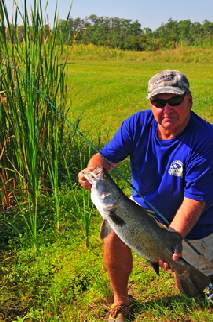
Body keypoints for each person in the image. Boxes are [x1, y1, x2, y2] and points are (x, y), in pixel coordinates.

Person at [78, 69, 213, 322]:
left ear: (190, 100)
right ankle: (121, 302)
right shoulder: (137, 124)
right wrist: (90, 171)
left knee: (196, 290)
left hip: (196, 222)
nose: (167, 109)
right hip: (144, 209)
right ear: (151, 103)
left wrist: (170, 242)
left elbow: (195, 200)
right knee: (113, 234)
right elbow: (104, 159)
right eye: (159, 103)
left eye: (174, 101)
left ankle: (192, 266)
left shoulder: (206, 140)